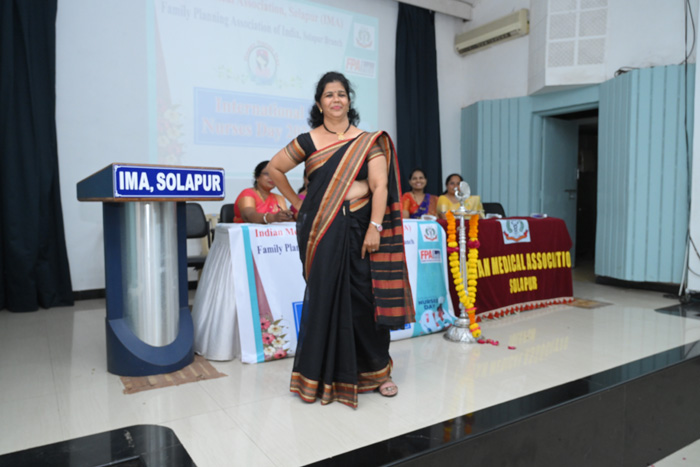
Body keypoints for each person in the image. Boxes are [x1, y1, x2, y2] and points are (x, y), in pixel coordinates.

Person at [267, 71, 414, 408]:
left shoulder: (368, 140)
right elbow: (275, 169)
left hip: (359, 228)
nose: (336, 99)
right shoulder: (308, 141)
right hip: (321, 230)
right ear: (319, 104)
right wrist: (298, 202)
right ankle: (322, 376)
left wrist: (375, 227)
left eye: (341, 94)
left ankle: (378, 373)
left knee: (365, 299)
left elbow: (380, 186)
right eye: (329, 95)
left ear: (349, 101)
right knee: (324, 299)